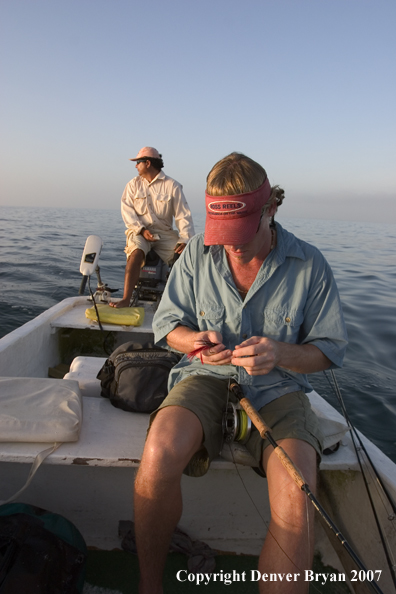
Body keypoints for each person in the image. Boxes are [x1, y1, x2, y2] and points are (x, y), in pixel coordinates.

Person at [133, 152, 348, 594]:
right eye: (222, 233)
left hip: (279, 390)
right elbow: (166, 326)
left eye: (242, 232)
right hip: (204, 378)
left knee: (298, 490)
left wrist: (280, 354)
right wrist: (194, 342)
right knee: (157, 456)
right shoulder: (196, 254)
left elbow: (328, 352)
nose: (231, 244)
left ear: (271, 208)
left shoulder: (311, 265)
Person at [110, 147, 195, 308]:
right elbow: (126, 211)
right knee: (135, 252)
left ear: (147, 163)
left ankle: (183, 303)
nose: (135, 166)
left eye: (138, 162)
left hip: (164, 234)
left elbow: (183, 215)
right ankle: (126, 299)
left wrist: (185, 239)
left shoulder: (173, 186)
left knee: (188, 258)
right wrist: (141, 230)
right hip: (139, 231)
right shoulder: (132, 185)